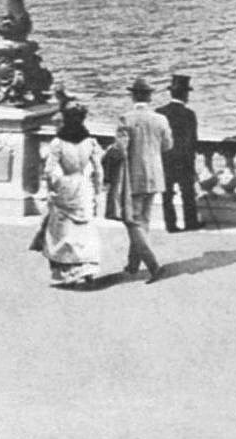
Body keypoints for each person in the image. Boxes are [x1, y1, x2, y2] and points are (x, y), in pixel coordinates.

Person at [35, 101, 104, 287]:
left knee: (61, 231)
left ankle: (65, 272)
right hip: (83, 186)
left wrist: (51, 188)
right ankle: (86, 268)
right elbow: (99, 169)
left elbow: (49, 170)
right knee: (84, 228)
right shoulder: (90, 141)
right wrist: (97, 189)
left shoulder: (58, 142)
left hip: (65, 184)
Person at [114, 77, 171, 282]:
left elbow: (120, 149)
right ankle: (133, 264)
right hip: (155, 175)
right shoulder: (160, 119)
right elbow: (167, 145)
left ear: (133, 96)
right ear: (149, 96)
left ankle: (153, 265)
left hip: (133, 175)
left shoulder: (125, 119)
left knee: (132, 220)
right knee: (143, 220)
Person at [157, 73, 201, 232]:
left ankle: (171, 225)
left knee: (166, 195)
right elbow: (192, 141)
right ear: (185, 94)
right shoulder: (189, 114)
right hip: (183, 160)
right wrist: (191, 161)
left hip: (164, 159)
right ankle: (191, 222)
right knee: (188, 193)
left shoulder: (159, 112)